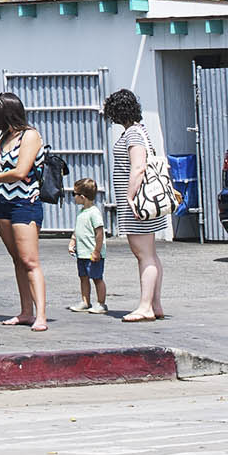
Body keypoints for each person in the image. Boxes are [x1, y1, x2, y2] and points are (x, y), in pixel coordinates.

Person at [0, 90, 49, 330]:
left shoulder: (30, 136)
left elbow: (21, 171)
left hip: (24, 202)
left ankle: (41, 315)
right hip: (3, 202)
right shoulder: (3, 139)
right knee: (17, 260)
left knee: (30, 260)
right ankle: (26, 311)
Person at [103, 88, 167, 322]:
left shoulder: (132, 134)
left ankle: (145, 306)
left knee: (144, 255)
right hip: (146, 201)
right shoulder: (141, 131)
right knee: (150, 254)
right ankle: (155, 304)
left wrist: (130, 197)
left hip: (138, 203)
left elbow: (138, 166)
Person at [70, 177, 108, 313]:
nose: (73, 197)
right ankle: (85, 301)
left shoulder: (94, 213)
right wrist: (73, 241)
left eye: (74, 194)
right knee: (83, 277)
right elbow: (78, 230)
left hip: (92, 253)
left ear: (82, 197)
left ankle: (101, 303)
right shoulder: (81, 212)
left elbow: (99, 233)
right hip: (82, 253)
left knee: (97, 278)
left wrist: (97, 251)